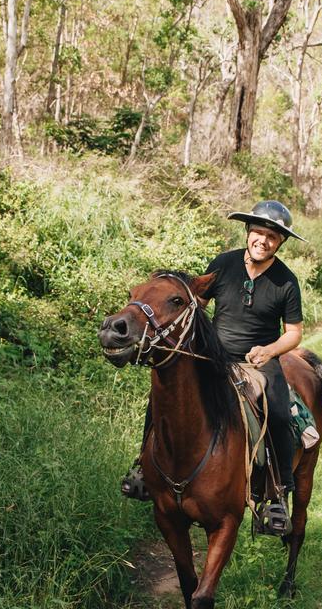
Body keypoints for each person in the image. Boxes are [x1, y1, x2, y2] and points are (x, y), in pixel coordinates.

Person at [123, 200, 305, 535]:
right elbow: (197, 308)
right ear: (248, 232)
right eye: (258, 232)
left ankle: (277, 494)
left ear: (280, 243)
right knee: (162, 397)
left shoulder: (286, 281)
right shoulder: (223, 264)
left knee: (279, 412)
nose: (263, 240)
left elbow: (294, 333)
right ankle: (142, 468)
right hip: (213, 358)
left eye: (272, 237)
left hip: (260, 362)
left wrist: (269, 350)